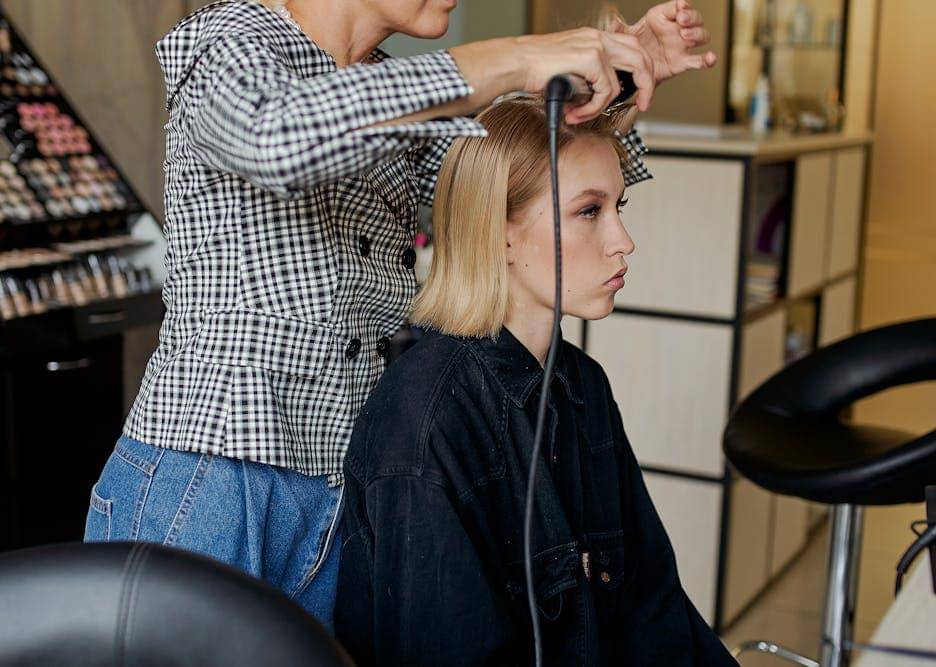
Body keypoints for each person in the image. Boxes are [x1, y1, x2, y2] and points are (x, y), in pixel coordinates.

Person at [83, 0, 716, 630]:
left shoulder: (394, 95)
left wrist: (619, 81)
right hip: (215, 482)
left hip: (341, 489)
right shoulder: (231, 39)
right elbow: (276, 139)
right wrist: (515, 58)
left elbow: (497, 186)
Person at [334, 96, 737, 665]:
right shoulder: (425, 427)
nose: (625, 241)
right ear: (497, 231)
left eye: (618, 206)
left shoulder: (583, 386)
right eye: (589, 211)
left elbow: (654, 608)